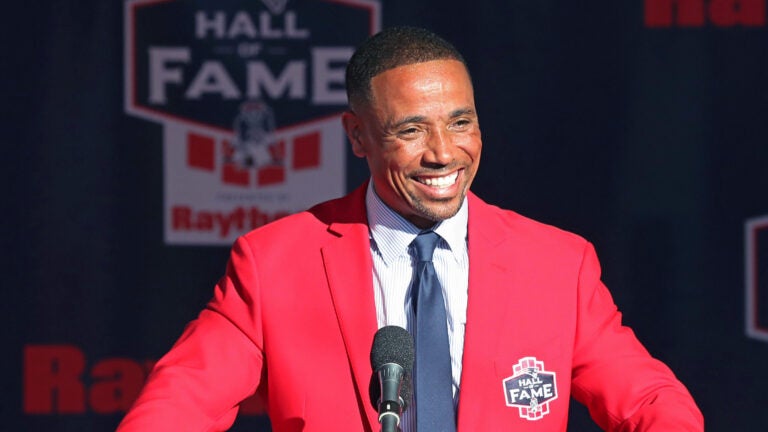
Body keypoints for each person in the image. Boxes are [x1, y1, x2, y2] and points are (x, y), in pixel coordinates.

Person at [118, 26, 703, 431]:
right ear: (357, 137)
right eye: (410, 131)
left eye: (461, 122)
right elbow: (180, 403)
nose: (443, 153)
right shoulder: (274, 262)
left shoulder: (557, 263)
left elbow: (649, 400)